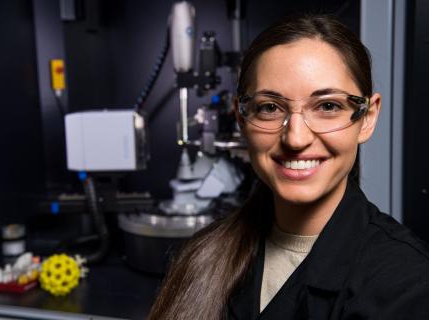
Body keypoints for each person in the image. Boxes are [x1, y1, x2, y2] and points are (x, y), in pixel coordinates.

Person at [148, 14, 429, 320]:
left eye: (328, 106)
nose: (295, 138)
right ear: (242, 119)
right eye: (270, 108)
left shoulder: (407, 283)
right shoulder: (199, 256)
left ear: (367, 118)